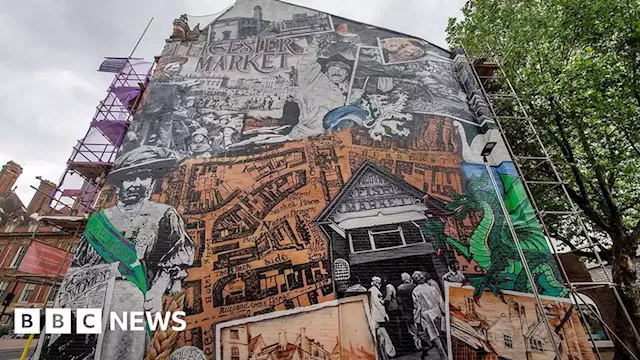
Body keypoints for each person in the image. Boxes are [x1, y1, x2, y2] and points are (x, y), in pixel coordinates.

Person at [72, 146, 195, 360]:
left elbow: (175, 256)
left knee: (126, 305)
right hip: (91, 295)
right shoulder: (99, 220)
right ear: (119, 184)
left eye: (143, 176)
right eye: (129, 178)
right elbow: (80, 265)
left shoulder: (164, 214)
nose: (135, 184)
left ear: (152, 181)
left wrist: (156, 292)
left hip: (131, 294)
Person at [412, 271, 446, 359]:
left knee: (434, 336)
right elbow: (440, 301)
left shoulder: (416, 291)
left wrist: (417, 321)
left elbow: (417, 307)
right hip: (437, 311)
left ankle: (444, 357)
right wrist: (444, 312)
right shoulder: (432, 288)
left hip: (426, 315)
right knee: (443, 334)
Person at [369, 276, 396, 360]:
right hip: (378, 316)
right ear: (374, 282)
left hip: (376, 316)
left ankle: (387, 353)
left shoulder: (373, 290)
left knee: (382, 335)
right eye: (378, 282)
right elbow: (378, 304)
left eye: (380, 282)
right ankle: (390, 352)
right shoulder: (374, 291)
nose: (379, 284)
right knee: (383, 335)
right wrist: (385, 315)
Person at [397, 273, 419, 350]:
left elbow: (399, 301)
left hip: (406, 310)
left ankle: (417, 344)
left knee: (411, 328)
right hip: (416, 308)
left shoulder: (400, 288)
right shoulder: (414, 286)